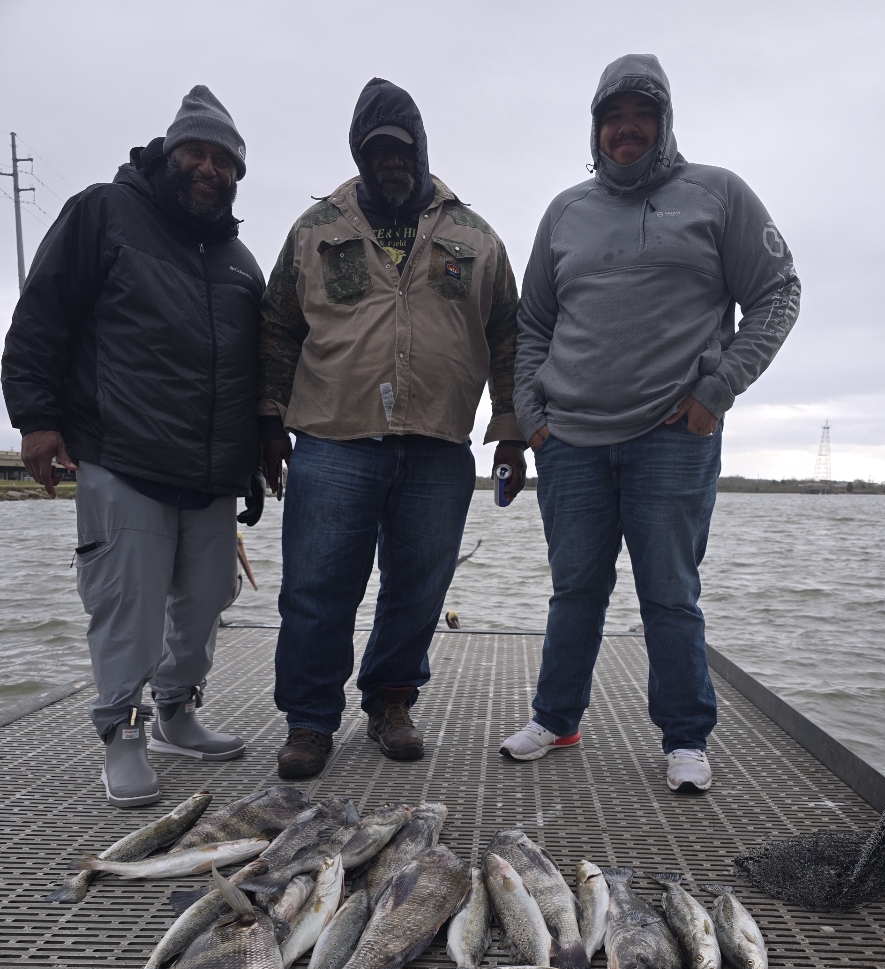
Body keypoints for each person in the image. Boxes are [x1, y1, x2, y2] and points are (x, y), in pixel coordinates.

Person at [500, 54, 800, 792]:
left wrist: (719, 389)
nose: (626, 128)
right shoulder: (566, 210)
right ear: (596, 127)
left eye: (642, 114)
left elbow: (778, 293)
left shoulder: (718, 194)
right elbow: (532, 322)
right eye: (613, 116)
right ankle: (557, 718)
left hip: (673, 432)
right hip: (569, 439)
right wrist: (534, 416)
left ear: (664, 123)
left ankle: (686, 739)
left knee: (669, 591)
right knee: (575, 589)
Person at [1, 86, 266, 808]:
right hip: (123, 454)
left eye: (225, 161)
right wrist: (35, 419)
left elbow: (257, 368)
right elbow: (41, 316)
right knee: (128, 604)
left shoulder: (241, 260)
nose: (210, 169)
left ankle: (177, 711)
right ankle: (122, 729)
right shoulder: (103, 213)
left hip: (212, 470)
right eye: (197, 153)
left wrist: (262, 449)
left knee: (210, 596)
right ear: (167, 154)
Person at [259, 77, 525, 780]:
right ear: (357, 151)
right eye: (375, 149)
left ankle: (391, 703)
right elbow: (277, 329)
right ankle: (311, 722)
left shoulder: (474, 234)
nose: (389, 160)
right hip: (332, 436)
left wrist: (512, 429)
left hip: (439, 441)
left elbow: (509, 336)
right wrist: (266, 424)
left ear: (420, 148)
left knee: (418, 585)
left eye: (401, 148)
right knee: (317, 587)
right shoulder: (316, 229)